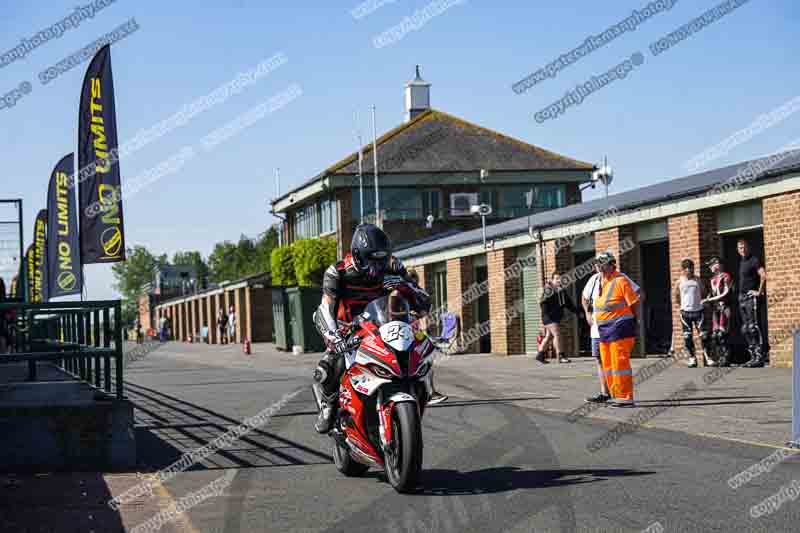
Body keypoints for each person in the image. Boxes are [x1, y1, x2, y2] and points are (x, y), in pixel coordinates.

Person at [312, 223, 432, 434]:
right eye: (371, 261)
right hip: (346, 329)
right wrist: (334, 337)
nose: (377, 268)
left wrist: (404, 286)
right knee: (331, 364)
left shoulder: (394, 266)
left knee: (417, 354)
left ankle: (418, 394)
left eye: (382, 260)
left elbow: (424, 303)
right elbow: (325, 307)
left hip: (380, 326)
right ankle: (328, 404)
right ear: (357, 256)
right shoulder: (337, 271)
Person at [583, 258, 643, 404]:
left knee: (619, 363)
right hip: (603, 329)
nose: (599, 266)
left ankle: (625, 396)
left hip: (619, 328)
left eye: (603, 263)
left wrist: (637, 320)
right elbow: (585, 299)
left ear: (612, 265)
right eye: (597, 263)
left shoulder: (620, 280)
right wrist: (588, 314)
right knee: (606, 362)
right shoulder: (597, 281)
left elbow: (635, 301)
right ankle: (613, 393)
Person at [406, 269, 448, 406]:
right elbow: (424, 314)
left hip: (413, 332)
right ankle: (428, 393)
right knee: (422, 363)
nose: (412, 280)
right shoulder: (411, 292)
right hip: (411, 332)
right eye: (411, 277)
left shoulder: (414, 292)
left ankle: (428, 393)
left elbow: (424, 313)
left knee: (424, 363)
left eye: (413, 277)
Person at [673, 258, 713, 368]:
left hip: (698, 312)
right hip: (685, 313)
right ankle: (692, 358)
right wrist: (681, 307)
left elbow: (704, 292)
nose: (689, 271)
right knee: (687, 337)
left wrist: (703, 302)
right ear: (683, 270)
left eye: (691, 268)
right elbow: (676, 295)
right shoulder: (679, 281)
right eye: (687, 269)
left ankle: (708, 357)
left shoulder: (697, 280)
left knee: (703, 335)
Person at [737, 239, 768, 368]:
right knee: (745, 329)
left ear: (748, 247)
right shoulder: (742, 261)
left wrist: (759, 291)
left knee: (753, 327)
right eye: (740, 248)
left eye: (744, 247)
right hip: (742, 297)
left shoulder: (754, 260)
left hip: (751, 298)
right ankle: (753, 357)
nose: (742, 250)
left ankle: (760, 357)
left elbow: (764, 275)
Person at [536, 271, 578, 364]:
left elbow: (568, 303)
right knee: (557, 334)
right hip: (549, 317)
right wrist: (547, 315)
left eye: (560, 279)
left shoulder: (561, 291)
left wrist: (578, 312)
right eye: (557, 278)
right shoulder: (548, 290)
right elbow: (542, 303)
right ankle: (561, 356)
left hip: (555, 317)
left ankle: (540, 355)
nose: (559, 280)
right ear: (552, 280)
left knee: (549, 336)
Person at [702, 257, 733, 367]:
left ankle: (726, 358)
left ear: (718, 264)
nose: (710, 267)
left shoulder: (726, 276)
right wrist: (707, 299)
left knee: (722, 333)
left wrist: (709, 300)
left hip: (724, 307)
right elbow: (712, 294)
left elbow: (726, 293)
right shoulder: (712, 279)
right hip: (715, 309)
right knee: (715, 334)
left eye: (712, 264)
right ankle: (720, 357)